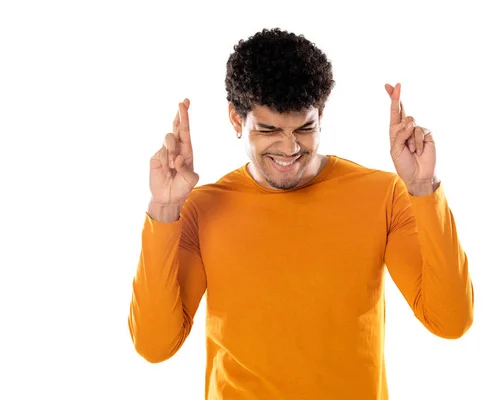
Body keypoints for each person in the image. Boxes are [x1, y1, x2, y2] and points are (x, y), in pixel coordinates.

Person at [128, 28, 474, 399]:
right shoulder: (201, 209)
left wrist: (424, 189)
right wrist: (164, 209)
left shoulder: (383, 196)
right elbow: (155, 345)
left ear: (321, 114)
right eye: (268, 129)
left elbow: (450, 321)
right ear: (235, 119)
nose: (289, 147)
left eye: (305, 128)